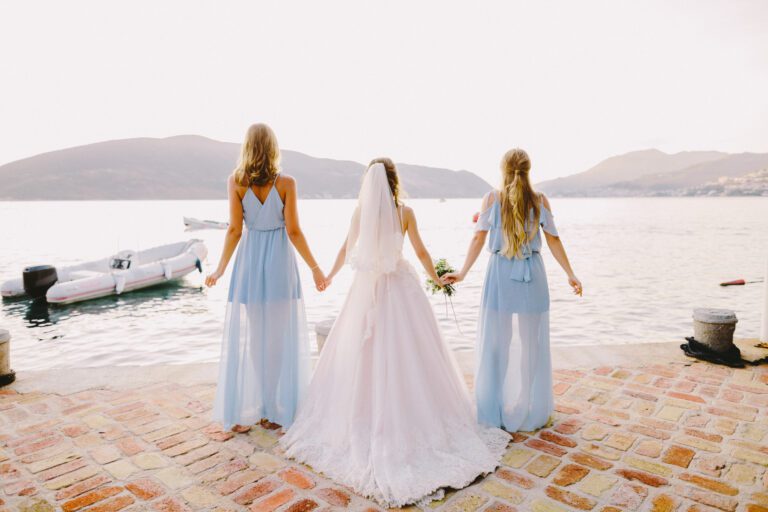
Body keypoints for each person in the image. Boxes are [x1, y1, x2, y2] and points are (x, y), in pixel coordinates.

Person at [279, 158, 509, 508]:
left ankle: (367, 420)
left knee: (365, 356)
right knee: (411, 355)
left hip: (366, 290)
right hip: (401, 289)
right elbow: (419, 251)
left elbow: (345, 249)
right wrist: (437, 279)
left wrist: (326, 275)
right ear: (393, 182)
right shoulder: (406, 213)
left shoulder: (360, 214)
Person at [444, 148, 582, 432]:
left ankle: (495, 405)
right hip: (533, 273)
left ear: (502, 168)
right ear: (529, 170)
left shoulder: (492, 199)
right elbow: (554, 240)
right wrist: (570, 274)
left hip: (501, 274)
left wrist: (462, 272)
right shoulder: (540, 199)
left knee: (498, 343)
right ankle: (526, 404)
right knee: (532, 345)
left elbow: (478, 239)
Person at [205, 123, 326, 431]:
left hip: (249, 262)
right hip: (279, 264)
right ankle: (273, 408)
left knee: (257, 339)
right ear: (273, 147)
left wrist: (220, 268)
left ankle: (261, 404)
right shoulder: (286, 182)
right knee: (277, 340)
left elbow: (234, 230)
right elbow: (294, 230)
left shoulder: (236, 181)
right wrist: (314, 267)